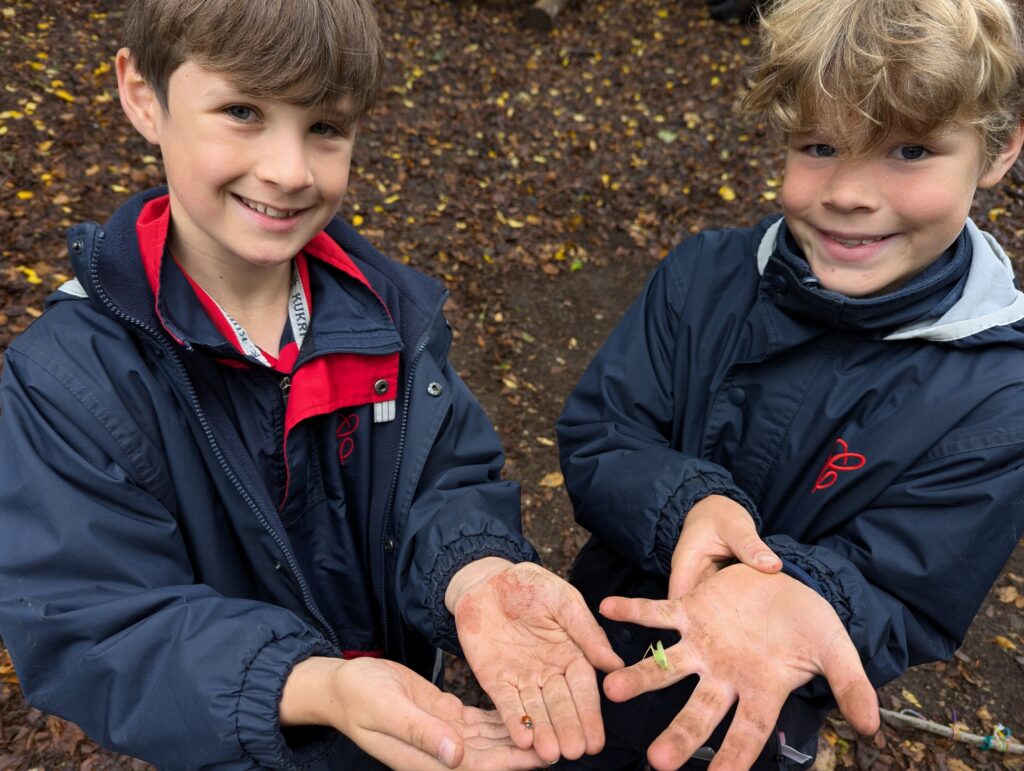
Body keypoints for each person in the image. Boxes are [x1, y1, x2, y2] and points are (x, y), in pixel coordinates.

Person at [0, 1, 625, 769]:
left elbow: (443, 476)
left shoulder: (387, 316)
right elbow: (96, 623)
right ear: (142, 94)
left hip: (409, 717)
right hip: (244, 741)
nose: (290, 171)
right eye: (242, 111)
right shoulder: (70, 380)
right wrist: (315, 685)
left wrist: (475, 570)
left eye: (325, 127)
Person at [555, 0, 1024, 767]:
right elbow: (602, 432)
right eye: (820, 145)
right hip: (600, 652)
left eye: (909, 151)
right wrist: (690, 503)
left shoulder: (1001, 397)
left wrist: (807, 592)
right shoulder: (702, 278)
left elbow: (906, 588)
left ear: (1000, 148)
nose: (848, 192)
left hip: (760, 709)